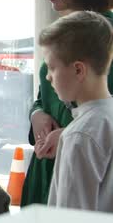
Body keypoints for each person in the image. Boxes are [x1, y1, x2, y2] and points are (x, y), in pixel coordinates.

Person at [21, 0, 113, 206]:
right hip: (48, 166)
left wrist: (76, 134)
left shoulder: (106, 34)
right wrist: (36, 113)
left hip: (87, 160)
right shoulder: (59, 33)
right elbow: (44, 95)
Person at [37, 11, 113, 211]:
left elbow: (71, 216)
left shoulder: (79, 135)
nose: (48, 77)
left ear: (79, 70)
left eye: (52, 68)